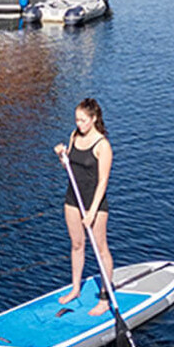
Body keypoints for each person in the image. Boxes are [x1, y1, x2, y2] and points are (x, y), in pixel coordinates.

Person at [53, 97, 114, 316]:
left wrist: (92, 212)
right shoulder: (74, 136)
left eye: (83, 120)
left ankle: (105, 298)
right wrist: (62, 156)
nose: (79, 124)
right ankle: (76, 289)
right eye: (77, 119)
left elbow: (103, 182)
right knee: (77, 244)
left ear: (94, 119)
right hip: (73, 199)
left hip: (94, 203)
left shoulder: (102, 145)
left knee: (100, 248)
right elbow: (70, 167)